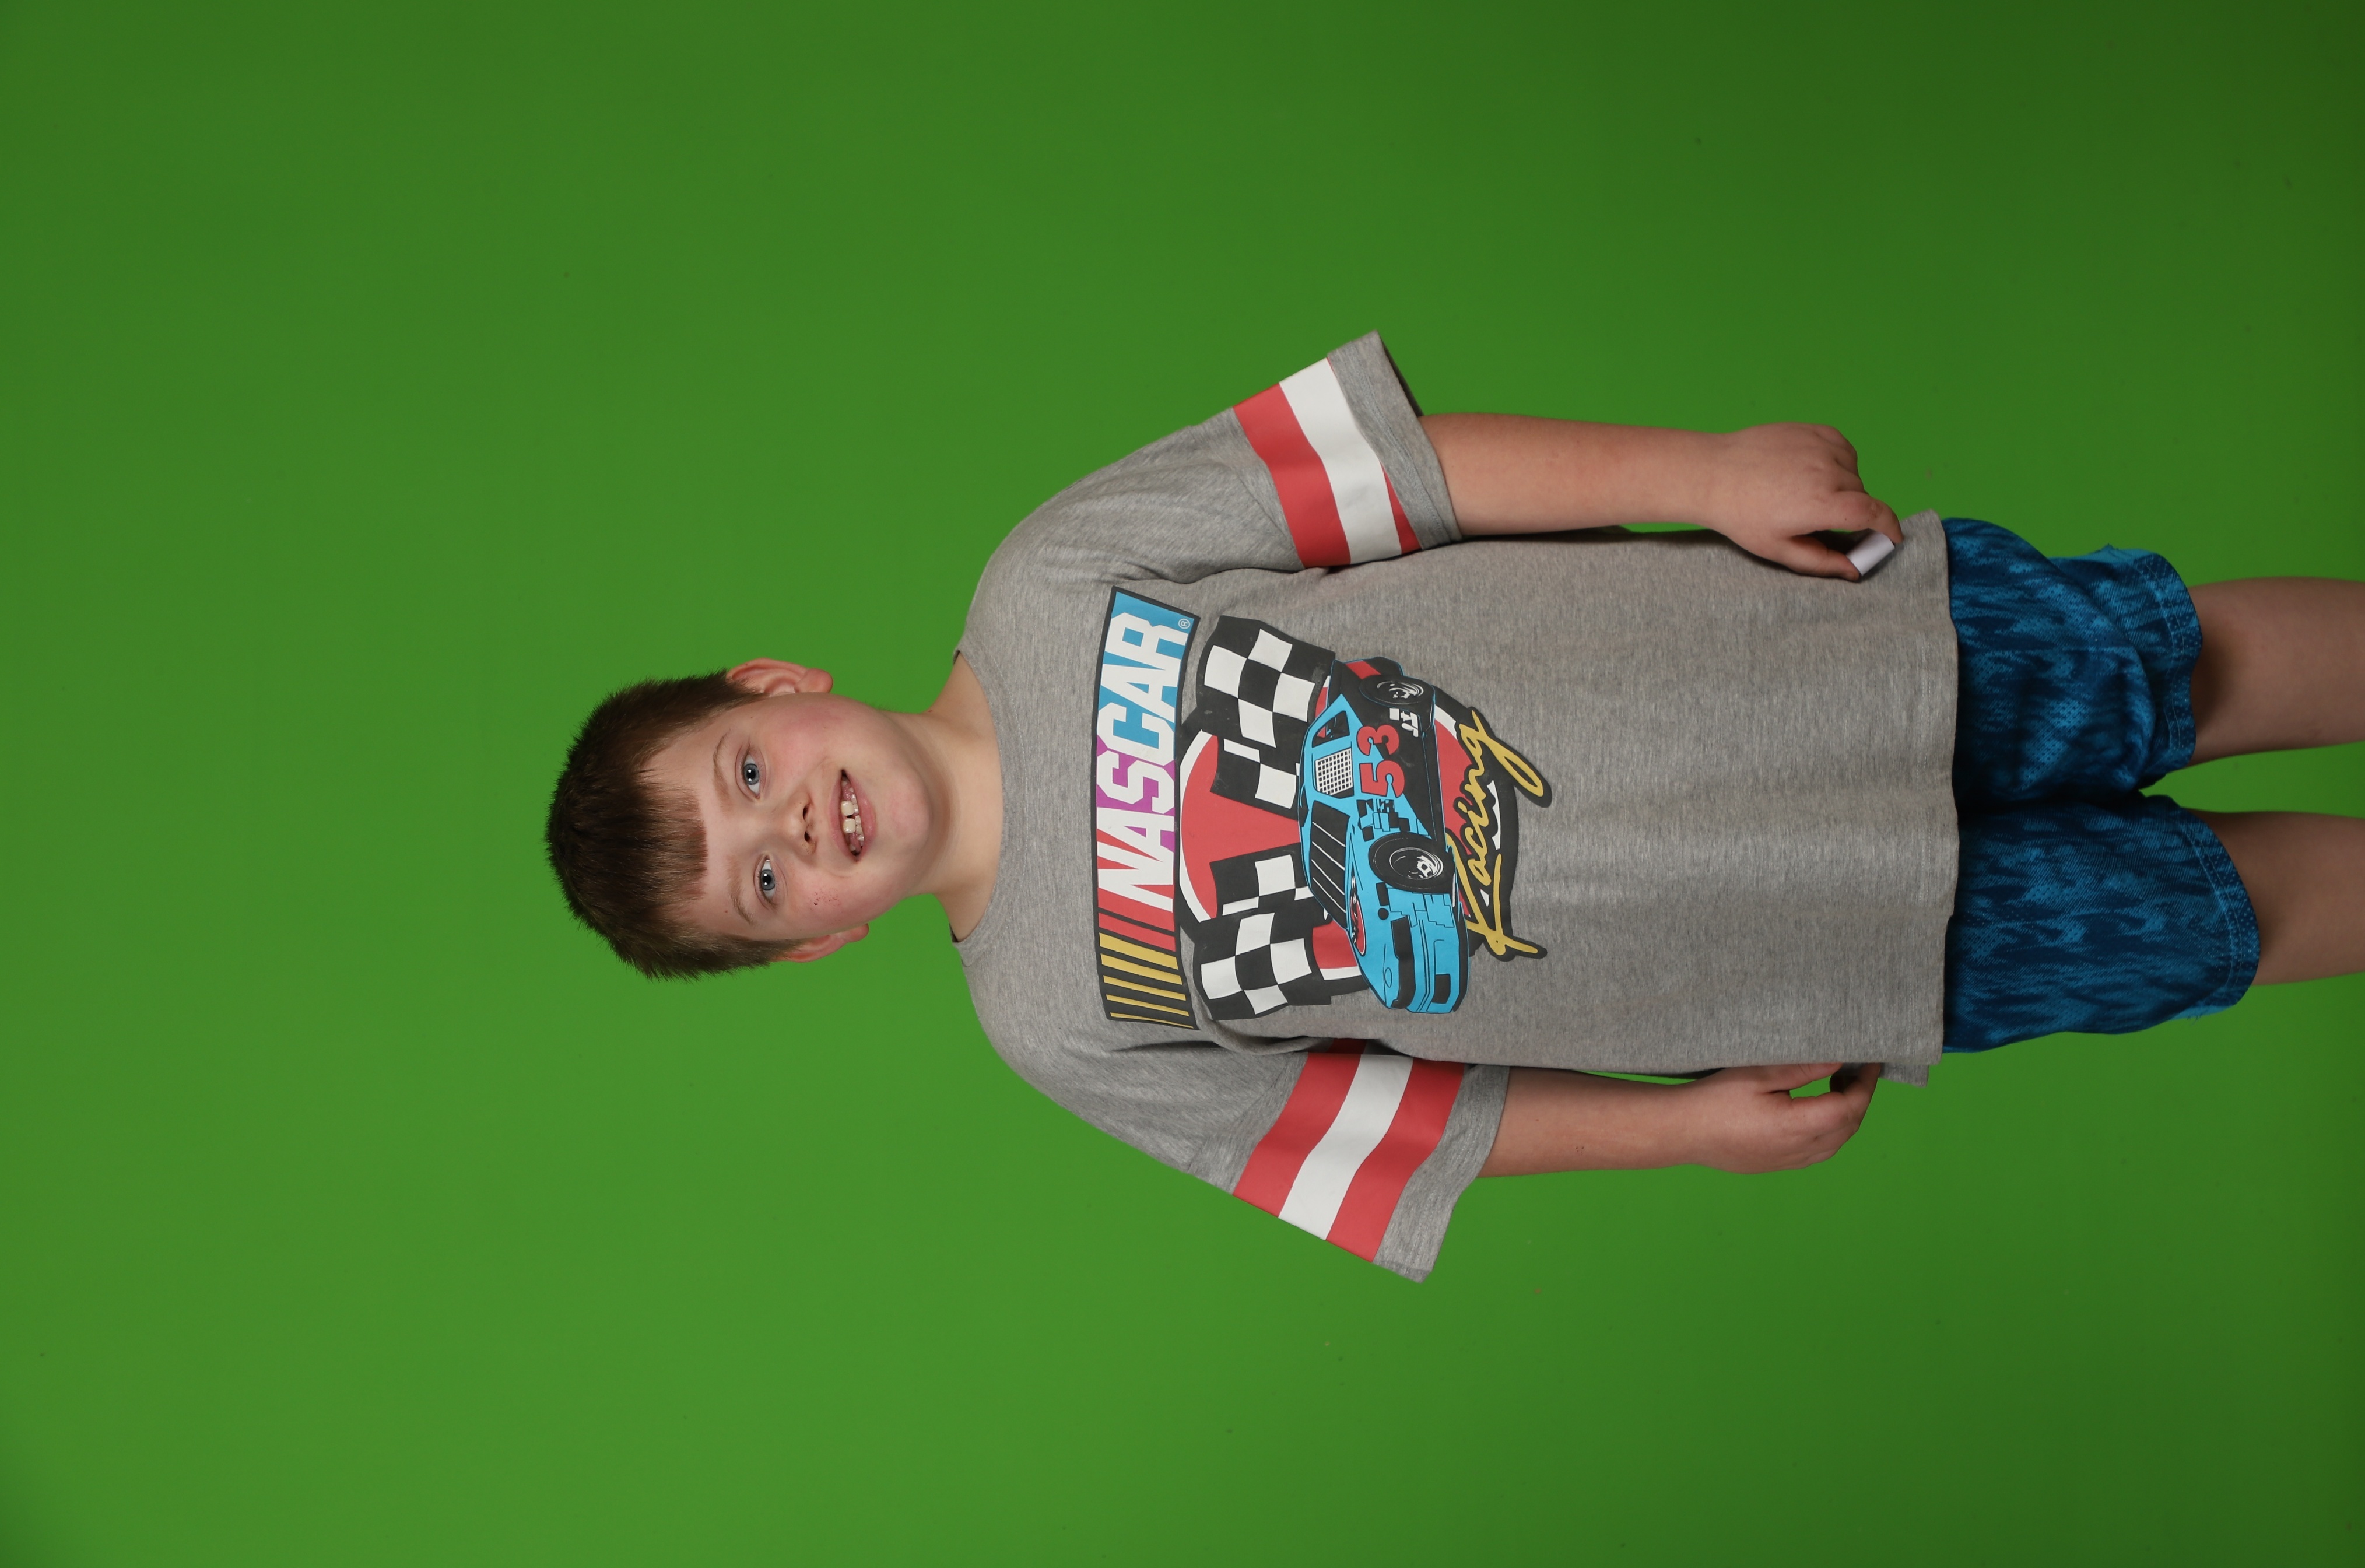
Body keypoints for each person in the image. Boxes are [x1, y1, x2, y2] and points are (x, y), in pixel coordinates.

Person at [545, 334, 2365, 1280]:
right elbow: (1395, 1132)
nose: (795, 830)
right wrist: (1677, 1131)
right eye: (762, 883)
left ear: (773, 686)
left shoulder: (1048, 579)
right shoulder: (1051, 1025)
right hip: (1804, 951)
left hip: (1787, 658)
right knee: (2216, 920)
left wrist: (1702, 475)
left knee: (2180, 667)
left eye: (747, 780)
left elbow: (1397, 481)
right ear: (816, 941)